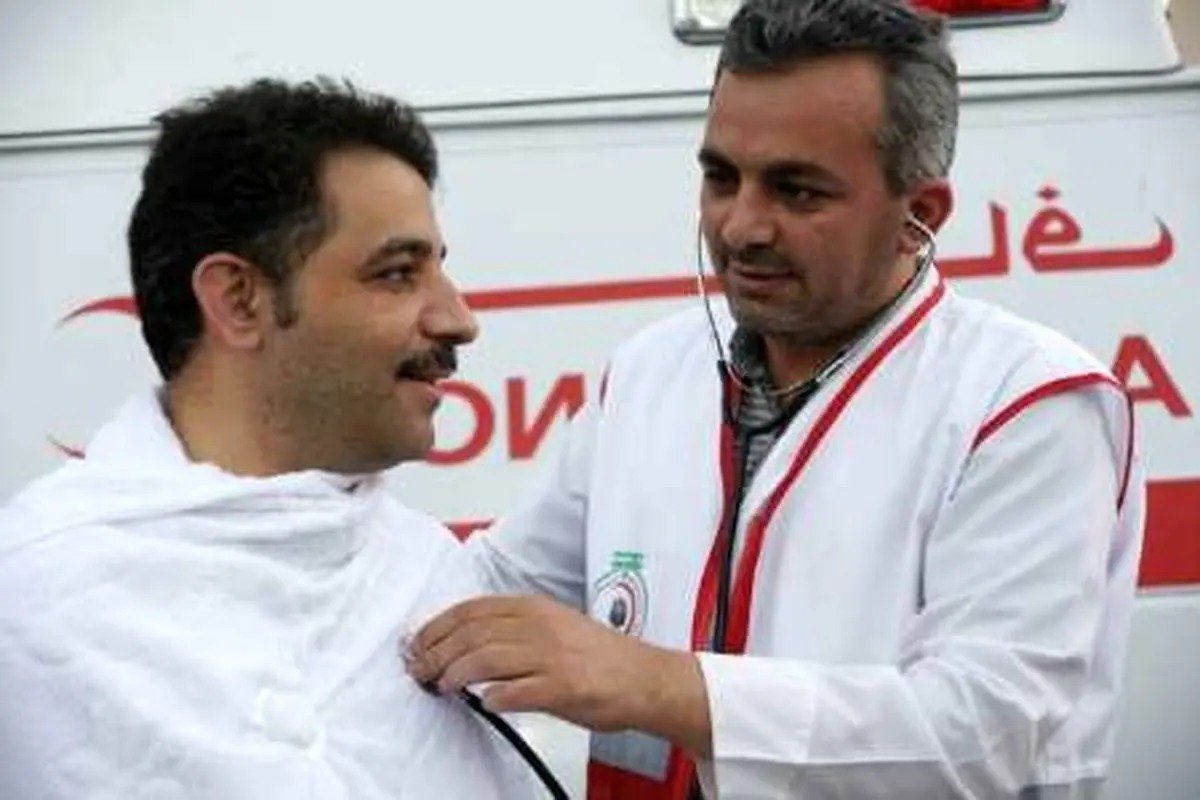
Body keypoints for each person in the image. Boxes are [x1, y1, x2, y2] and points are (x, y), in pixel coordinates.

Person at [406, 1, 1147, 798]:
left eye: (797, 192)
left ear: (919, 215)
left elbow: (980, 734)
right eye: (721, 178)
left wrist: (657, 685)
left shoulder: (1027, 404)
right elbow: (494, 583)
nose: (741, 227)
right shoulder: (653, 372)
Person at [0, 77, 538, 799]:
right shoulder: (37, 597)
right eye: (397, 273)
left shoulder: (428, 573)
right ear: (238, 300)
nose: (458, 319)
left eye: (440, 266)